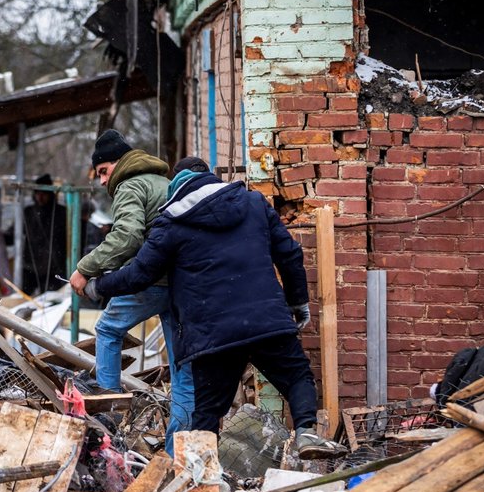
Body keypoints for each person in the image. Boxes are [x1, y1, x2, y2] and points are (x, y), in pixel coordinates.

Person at [83, 158, 347, 460]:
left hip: (211, 335)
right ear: (208, 178)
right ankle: (306, 433)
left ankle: (200, 480)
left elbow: (140, 273)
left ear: (177, 186)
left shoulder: (171, 222)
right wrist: (298, 302)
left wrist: (98, 286)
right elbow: (289, 253)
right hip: (265, 320)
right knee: (297, 375)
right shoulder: (253, 204)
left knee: (207, 413)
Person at [68, 129, 194, 456]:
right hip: (182, 283)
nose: (100, 182)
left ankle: (108, 413)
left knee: (107, 329)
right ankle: (175, 455)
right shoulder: (163, 183)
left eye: (103, 172)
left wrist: (85, 269)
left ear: (119, 164)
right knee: (182, 373)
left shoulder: (129, 185)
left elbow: (127, 237)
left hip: (153, 280)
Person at [22, 173, 68, 294]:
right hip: (30, 266)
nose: (40, 197)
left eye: (44, 193)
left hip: (53, 267)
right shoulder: (28, 212)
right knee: (24, 299)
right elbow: (13, 235)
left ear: (50, 194)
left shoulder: (61, 213)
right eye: (37, 193)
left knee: (51, 302)